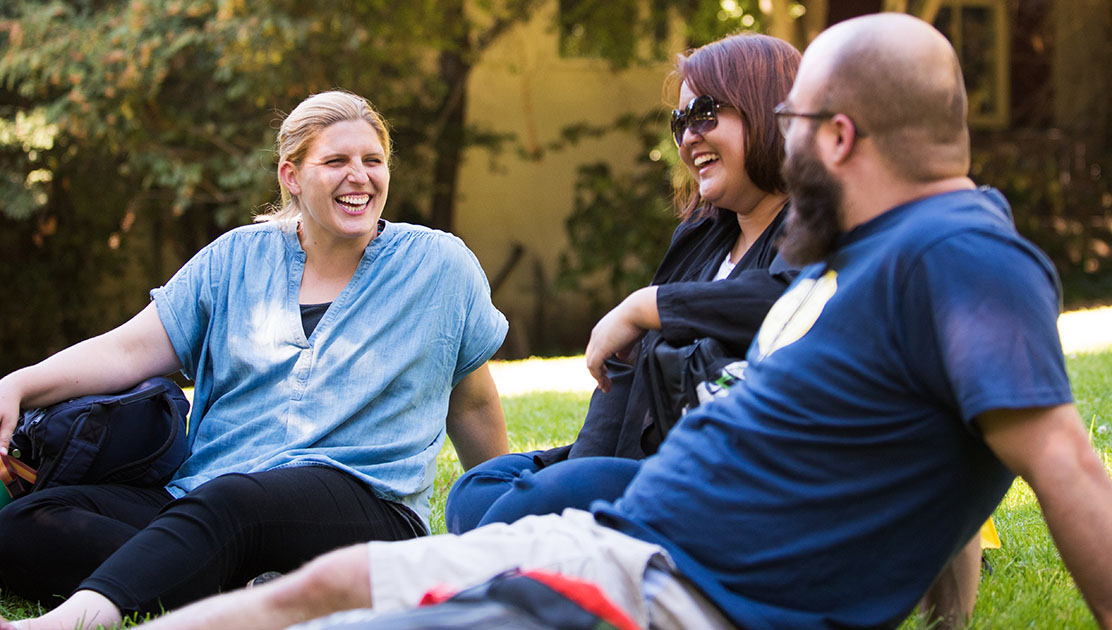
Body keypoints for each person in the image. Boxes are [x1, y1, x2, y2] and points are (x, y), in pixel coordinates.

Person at [32, 13, 1112, 630]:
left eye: (778, 124)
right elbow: (938, 470)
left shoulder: (958, 255)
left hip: (657, 592)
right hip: (615, 544)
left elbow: (1058, 460)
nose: (762, 145)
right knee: (315, 590)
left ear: (832, 135)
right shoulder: (864, 262)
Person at [0, 90, 509, 630]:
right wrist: (17, 385)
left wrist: (501, 524)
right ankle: (257, 594)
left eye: (372, 160)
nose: (359, 176)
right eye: (336, 161)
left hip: (364, 502)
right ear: (291, 175)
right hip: (207, 497)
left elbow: (473, 404)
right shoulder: (234, 259)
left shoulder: (440, 266)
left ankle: (68, 620)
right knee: (26, 522)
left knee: (234, 503)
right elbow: (128, 348)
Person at [445, 31, 800, 534]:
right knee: (477, 491)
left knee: (516, 514)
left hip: (717, 483)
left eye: (705, 114)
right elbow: (625, 372)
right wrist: (581, 470)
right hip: (639, 461)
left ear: (765, 110)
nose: (687, 138)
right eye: (681, 121)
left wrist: (644, 305)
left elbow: (790, 300)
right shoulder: (701, 237)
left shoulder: (814, 230)